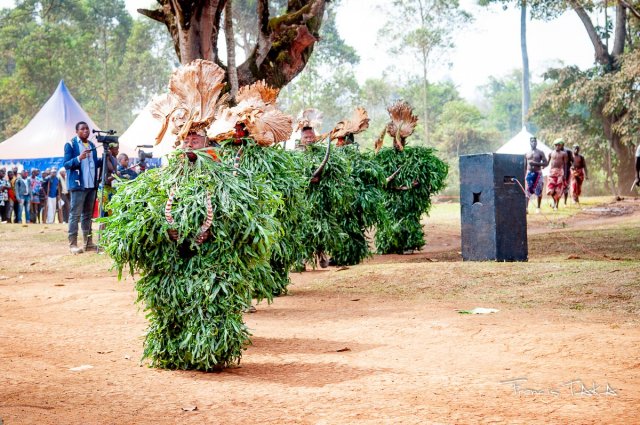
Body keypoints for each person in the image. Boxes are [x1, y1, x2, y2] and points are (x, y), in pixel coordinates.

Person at [63, 121, 103, 254]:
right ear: (77, 131)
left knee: (87, 215)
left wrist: (105, 158)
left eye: (87, 129)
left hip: (91, 185)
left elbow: (95, 164)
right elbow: (67, 164)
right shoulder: (71, 144)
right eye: (82, 129)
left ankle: (88, 243)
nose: (85, 131)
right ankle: (72, 244)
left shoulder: (92, 145)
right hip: (78, 185)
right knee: (75, 214)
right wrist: (79, 158)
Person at [524, 136, 548, 214]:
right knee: (527, 190)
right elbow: (525, 165)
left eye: (535, 141)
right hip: (529, 173)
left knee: (539, 190)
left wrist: (536, 163)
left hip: (538, 173)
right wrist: (524, 174)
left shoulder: (540, 152)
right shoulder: (527, 153)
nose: (533, 143)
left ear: (537, 143)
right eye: (532, 141)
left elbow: (545, 163)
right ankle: (526, 208)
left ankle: (538, 207)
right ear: (529, 143)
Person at [546, 138, 569, 210]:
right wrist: (542, 165)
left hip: (560, 173)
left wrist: (565, 175)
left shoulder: (564, 154)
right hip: (552, 173)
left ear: (561, 145)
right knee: (551, 189)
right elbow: (547, 163)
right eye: (556, 145)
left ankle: (556, 205)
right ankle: (554, 202)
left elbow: (565, 165)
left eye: (559, 145)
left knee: (558, 190)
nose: (557, 146)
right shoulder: (551, 153)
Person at [99, 142, 119, 217]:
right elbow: (106, 179)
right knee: (104, 214)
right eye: (116, 149)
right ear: (110, 149)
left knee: (111, 214)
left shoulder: (113, 158)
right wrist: (115, 176)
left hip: (112, 189)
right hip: (105, 190)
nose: (118, 151)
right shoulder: (106, 159)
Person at [559, 140, 574, 206]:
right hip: (558, 171)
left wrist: (572, 167)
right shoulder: (556, 151)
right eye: (557, 144)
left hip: (567, 171)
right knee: (558, 186)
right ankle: (556, 202)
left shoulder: (568, 151)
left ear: (563, 144)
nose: (558, 146)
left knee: (565, 187)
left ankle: (565, 202)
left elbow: (573, 161)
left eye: (560, 144)